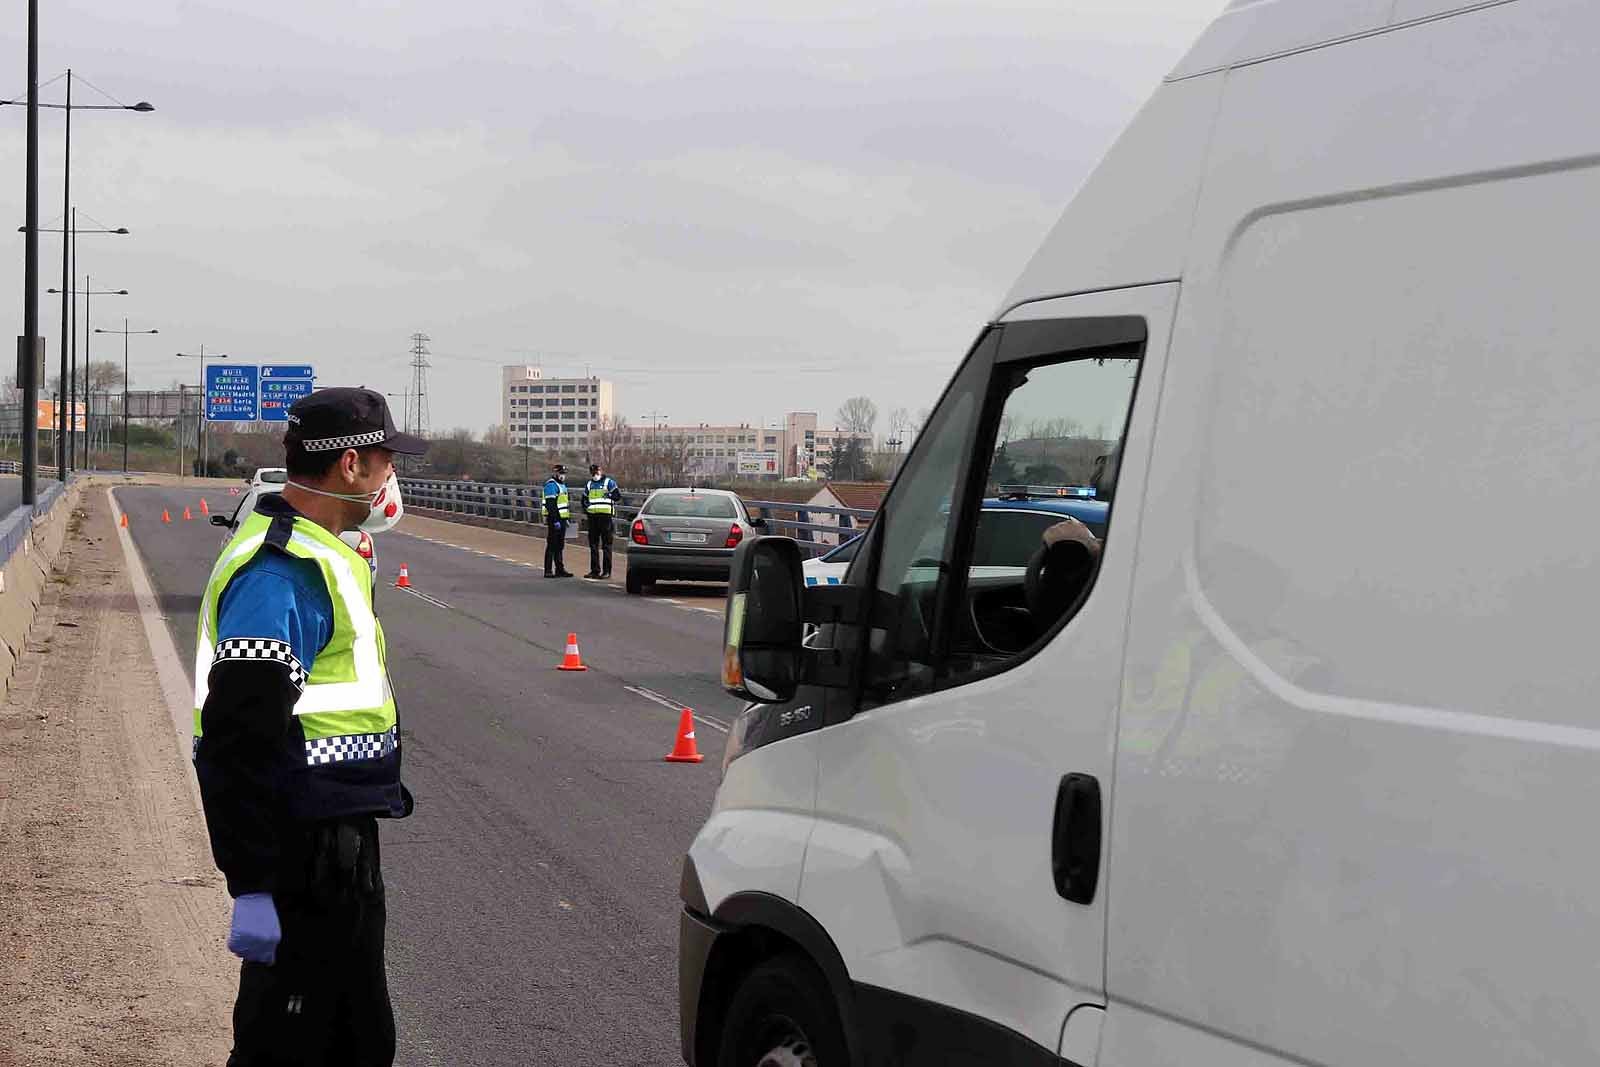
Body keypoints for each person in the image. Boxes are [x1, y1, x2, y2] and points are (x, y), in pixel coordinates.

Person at [192, 387, 426, 1066]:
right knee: (288, 1049)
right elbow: (239, 740)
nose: (391, 478)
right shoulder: (283, 573)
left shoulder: (325, 555)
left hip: (338, 849)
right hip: (303, 862)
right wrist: (254, 884)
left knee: (358, 1044)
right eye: (386, 460)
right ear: (350, 464)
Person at [582, 462, 622, 579]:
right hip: (593, 518)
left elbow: (617, 496)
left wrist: (609, 495)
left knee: (606, 545)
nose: (595, 474)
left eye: (597, 471)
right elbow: (584, 499)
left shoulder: (609, 482)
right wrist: (587, 510)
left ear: (601, 471)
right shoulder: (589, 484)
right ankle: (594, 570)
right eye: (593, 472)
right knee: (593, 545)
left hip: (605, 518)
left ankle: (606, 571)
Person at [543, 463, 573, 578]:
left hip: (562, 519)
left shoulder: (562, 485)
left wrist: (566, 519)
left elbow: (563, 504)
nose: (562, 475)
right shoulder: (551, 485)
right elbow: (551, 505)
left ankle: (560, 569)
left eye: (564, 473)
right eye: (561, 473)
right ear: (556, 473)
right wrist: (555, 520)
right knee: (552, 544)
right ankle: (548, 570)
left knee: (560, 545)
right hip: (554, 519)